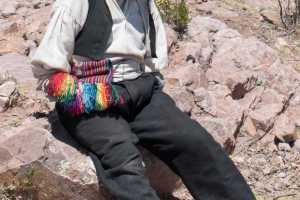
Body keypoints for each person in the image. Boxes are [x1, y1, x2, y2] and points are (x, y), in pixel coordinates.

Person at [31, 0, 256, 199]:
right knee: (123, 160)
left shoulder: (144, 4)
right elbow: (48, 75)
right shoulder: (75, 4)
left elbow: (152, 61)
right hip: (88, 100)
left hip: (137, 89)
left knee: (194, 141)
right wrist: (93, 97)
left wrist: (143, 88)